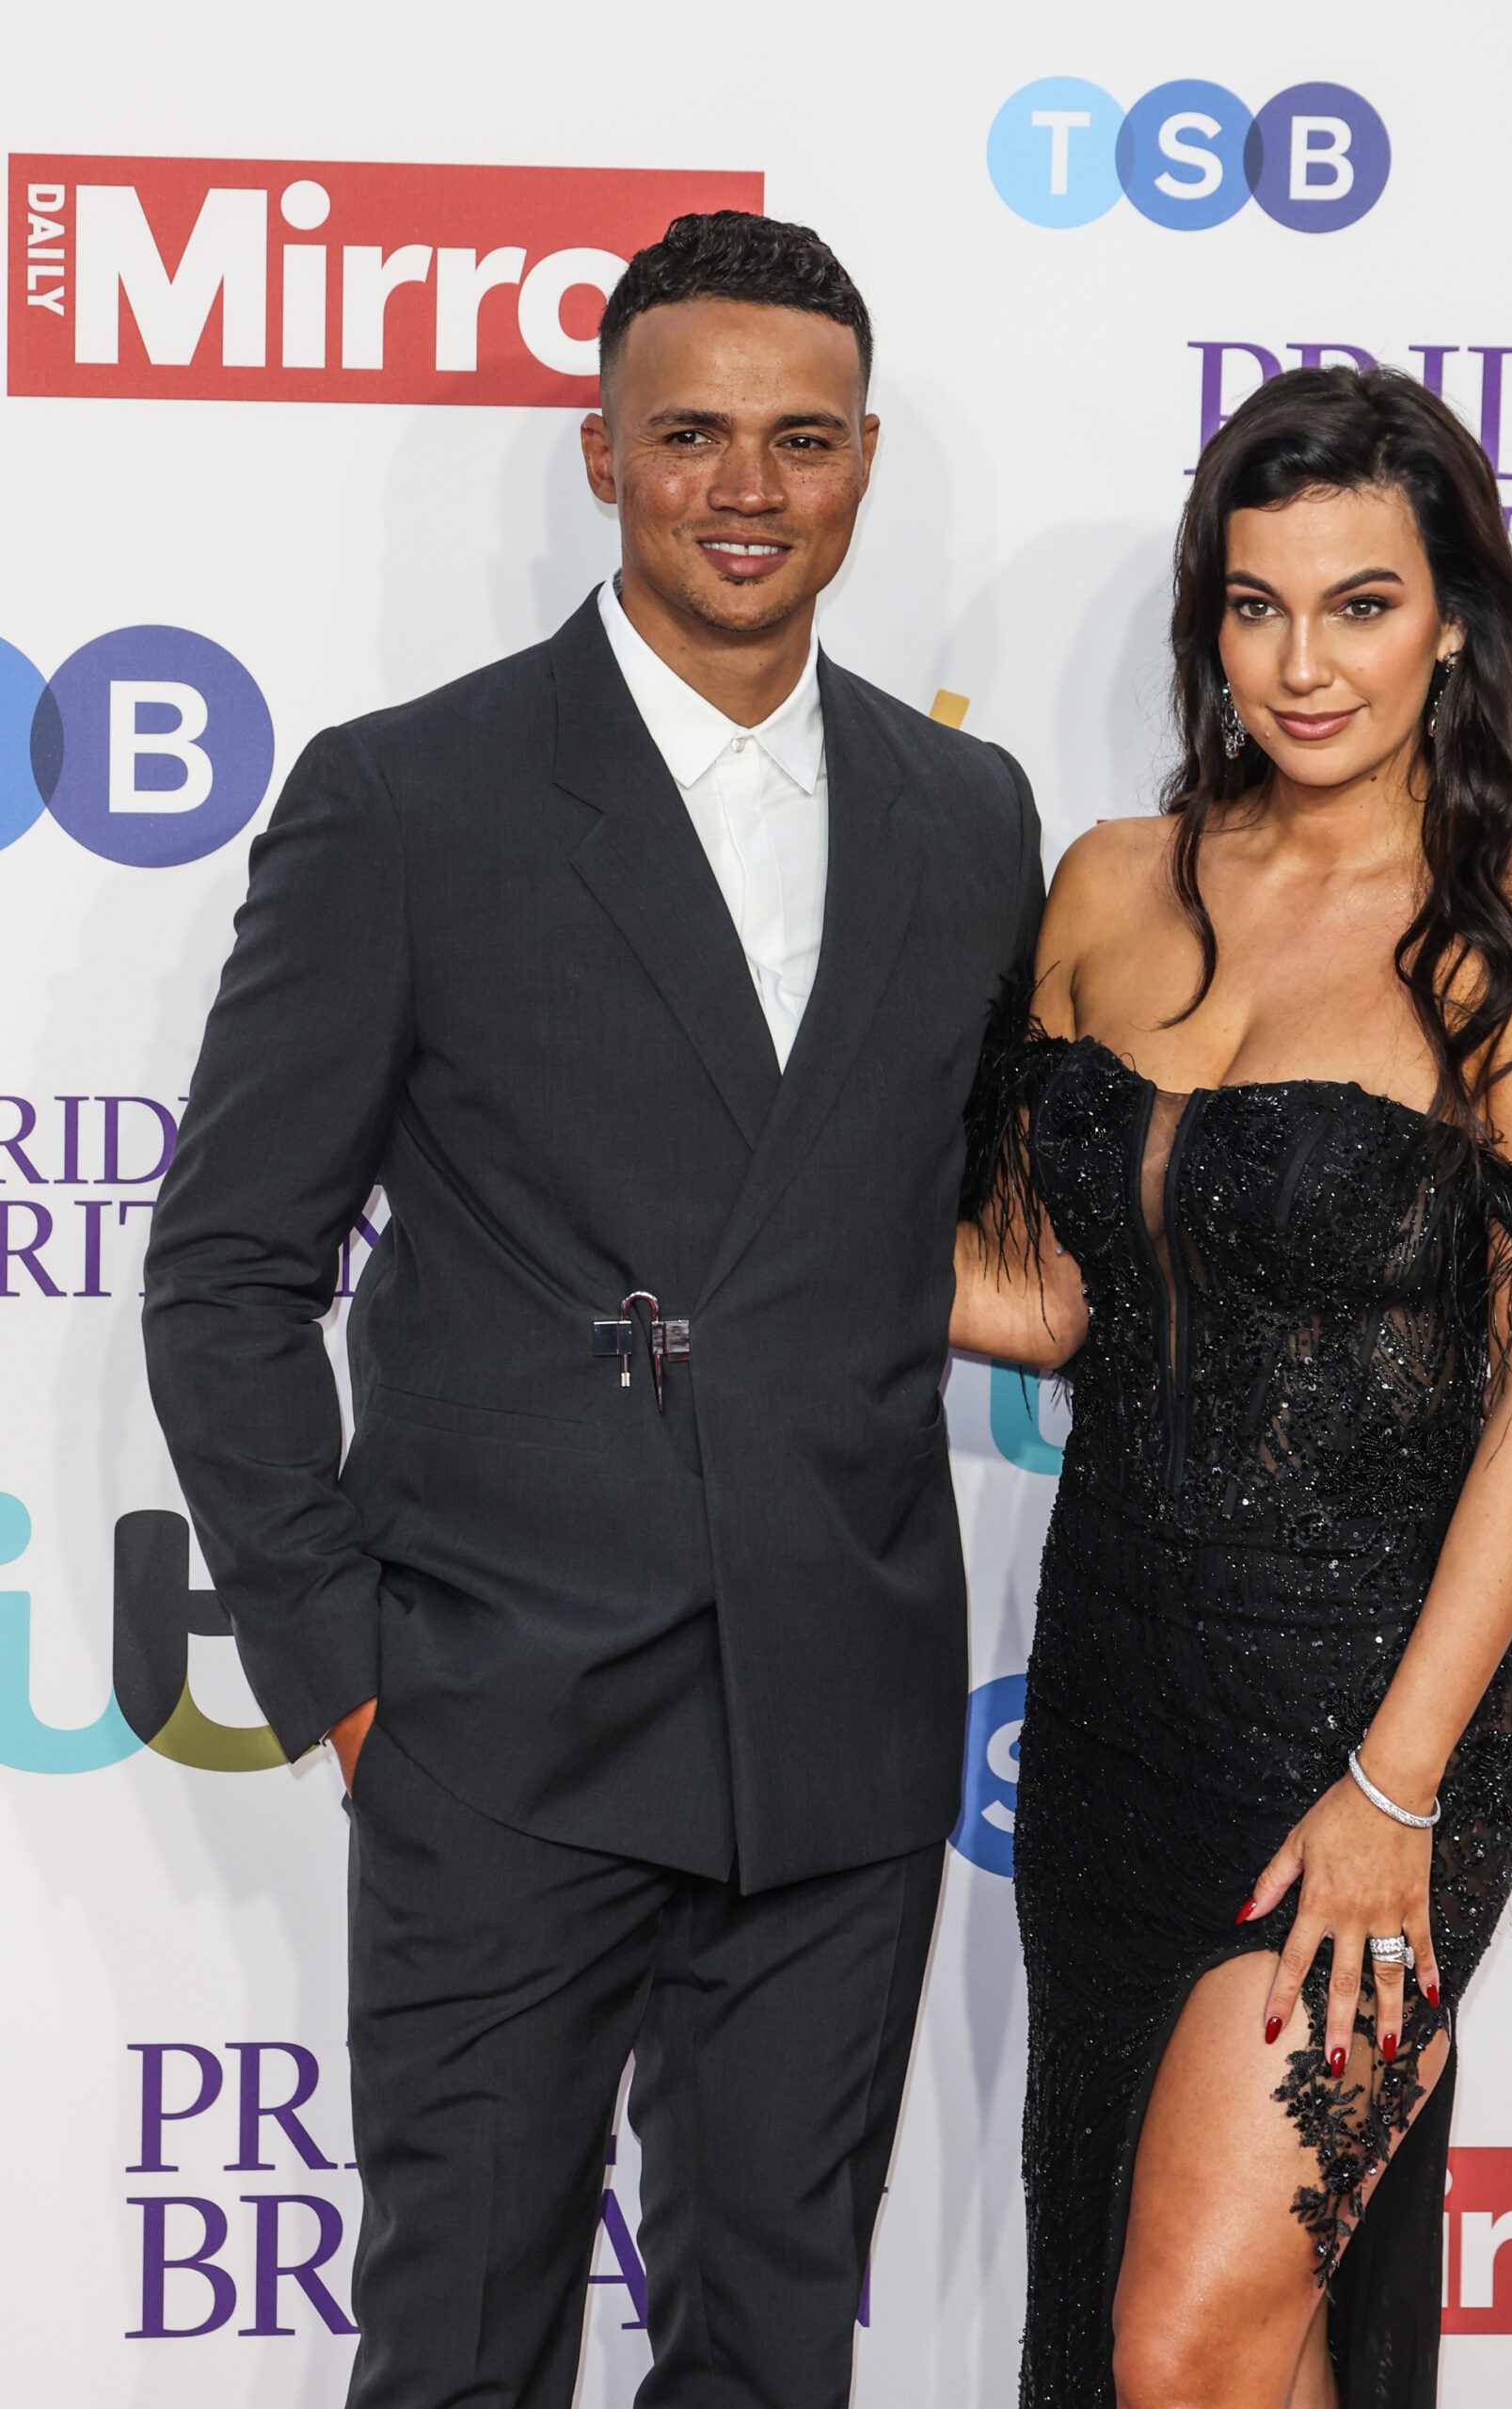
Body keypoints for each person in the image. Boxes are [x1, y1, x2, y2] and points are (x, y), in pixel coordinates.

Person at [142, 211, 1042, 2409]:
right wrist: (354, 1679)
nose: (747, 486)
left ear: (863, 463)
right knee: (458, 2355)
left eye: (800, 438)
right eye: (692, 435)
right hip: (501, 1718)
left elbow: (949, 1226)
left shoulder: (967, 810)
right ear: (600, 452)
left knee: (769, 2360)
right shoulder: (408, 793)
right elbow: (230, 1269)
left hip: (834, 1713)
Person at [950, 366, 1512, 2408]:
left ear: (1455, 618)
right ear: (1208, 617)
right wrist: (705, 1222)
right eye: (1256, 603)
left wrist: (1393, 1790)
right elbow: (1042, 1292)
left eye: (1362, 604)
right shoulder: (1118, 883)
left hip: (1373, 1741)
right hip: (1112, 1704)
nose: (1305, 664)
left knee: (1188, 2335)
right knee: (1198, 2340)